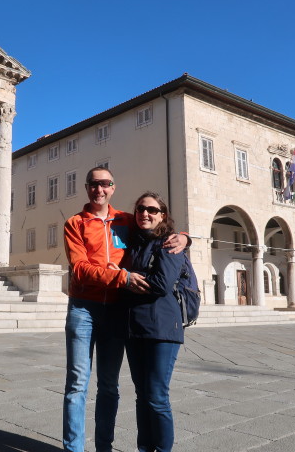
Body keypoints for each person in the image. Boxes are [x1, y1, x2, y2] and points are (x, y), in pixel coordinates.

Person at [63, 167, 188, 452]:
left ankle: (103, 447)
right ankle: (73, 449)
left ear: (113, 188)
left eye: (105, 184)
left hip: (117, 309)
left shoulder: (126, 220)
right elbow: (80, 269)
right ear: (87, 188)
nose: (100, 189)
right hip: (84, 306)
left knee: (109, 385)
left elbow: (157, 226)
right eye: (94, 184)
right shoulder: (75, 223)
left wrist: (184, 237)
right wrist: (123, 277)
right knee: (77, 384)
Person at [119, 192, 187, 452]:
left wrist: (127, 279)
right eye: (139, 209)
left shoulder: (169, 243)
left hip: (162, 330)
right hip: (135, 328)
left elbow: (161, 284)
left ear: (162, 215)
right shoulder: (135, 243)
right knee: (141, 396)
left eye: (151, 209)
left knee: (157, 396)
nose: (144, 214)